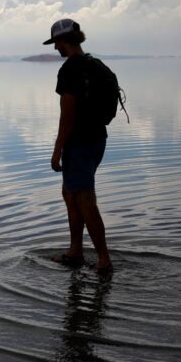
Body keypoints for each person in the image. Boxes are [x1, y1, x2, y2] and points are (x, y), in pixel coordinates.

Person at [45, 19, 112, 273]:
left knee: (84, 200)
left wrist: (57, 150)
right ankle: (75, 251)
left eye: (57, 43)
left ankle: (104, 260)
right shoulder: (95, 65)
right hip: (97, 139)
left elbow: (67, 115)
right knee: (71, 195)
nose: (55, 49)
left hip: (79, 143)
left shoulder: (70, 69)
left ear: (64, 41)